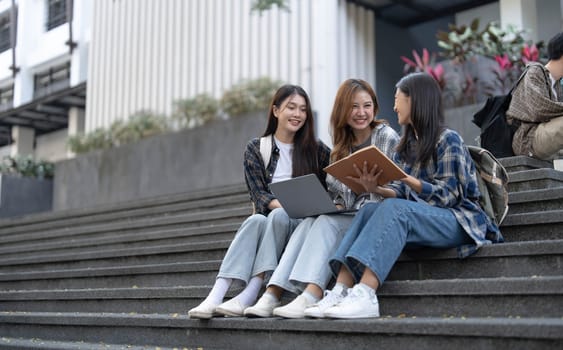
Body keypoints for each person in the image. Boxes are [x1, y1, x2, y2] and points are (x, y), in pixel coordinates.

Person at [303, 73, 503, 319]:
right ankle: (340, 290)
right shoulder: (405, 146)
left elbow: (450, 196)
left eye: (399, 99)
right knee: (369, 208)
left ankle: (366, 294)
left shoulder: (447, 139)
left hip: (459, 220)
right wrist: (375, 188)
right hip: (423, 217)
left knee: (395, 208)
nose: (394, 106)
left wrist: (409, 180)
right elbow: (398, 191)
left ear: (416, 101)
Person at [243, 79, 400, 318]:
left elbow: (399, 183)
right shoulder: (340, 147)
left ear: (375, 108)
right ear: (342, 111)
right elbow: (338, 191)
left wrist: (374, 188)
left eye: (367, 106)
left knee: (325, 222)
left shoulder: (386, 136)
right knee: (309, 221)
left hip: (374, 214)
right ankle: (272, 293)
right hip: (348, 213)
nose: (361, 113)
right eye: (353, 107)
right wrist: (333, 203)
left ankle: (311, 294)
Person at [188, 84, 331, 319]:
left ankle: (250, 293)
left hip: (302, 227)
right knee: (256, 219)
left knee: (277, 215)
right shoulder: (257, 148)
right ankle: (216, 294)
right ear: (275, 110)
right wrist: (286, 206)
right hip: (270, 223)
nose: (298, 114)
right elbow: (259, 196)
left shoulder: (317, 151)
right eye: (291, 107)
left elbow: (336, 181)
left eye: (303, 110)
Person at [507, 31, 563, 160]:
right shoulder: (535, 71)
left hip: (544, 136)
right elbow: (538, 109)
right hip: (528, 139)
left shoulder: (558, 85)